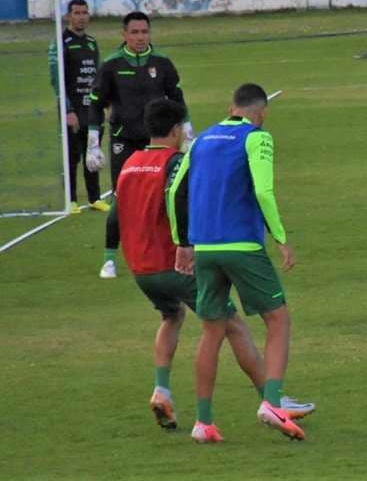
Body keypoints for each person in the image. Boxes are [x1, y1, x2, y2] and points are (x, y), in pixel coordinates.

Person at [115, 98, 314, 439]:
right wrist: (184, 244)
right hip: (188, 260)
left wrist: (112, 254)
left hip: (144, 267)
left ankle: (179, 403)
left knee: (180, 320)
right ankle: (272, 399)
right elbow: (181, 194)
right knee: (244, 324)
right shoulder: (177, 159)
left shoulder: (130, 164)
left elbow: (114, 217)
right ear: (177, 129)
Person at [169, 83, 306, 441]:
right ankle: (272, 402)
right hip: (241, 245)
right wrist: (280, 237)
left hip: (205, 249)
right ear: (260, 113)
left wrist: (181, 242)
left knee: (212, 331)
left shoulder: (199, 140)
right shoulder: (257, 137)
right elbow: (262, 190)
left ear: (231, 107)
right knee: (278, 319)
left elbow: (174, 192)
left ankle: (203, 423)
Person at [87, 11, 193, 279]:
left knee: (171, 195)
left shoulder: (163, 63)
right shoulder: (111, 66)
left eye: (144, 32)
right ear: (124, 35)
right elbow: (96, 105)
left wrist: (188, 131)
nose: (139, 37)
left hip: (159, 142)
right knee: (120, 199)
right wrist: (93, 144)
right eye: (134, 32)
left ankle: (175, 252)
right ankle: (109, 259)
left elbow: (177, 98)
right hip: (125, 142)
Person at [47, 0, 109, 214]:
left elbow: (98, 77)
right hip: (72, 110)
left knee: (92, 154)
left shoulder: (91, 42)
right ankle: (71, 200)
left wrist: (104, 102)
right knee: (72, 156)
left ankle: (94, 198)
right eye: (76, 12)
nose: (81, 16)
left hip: (91, 108)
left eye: (84, 12)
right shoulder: (60, 41)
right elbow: (57, 79)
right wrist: (67, 109)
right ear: (68, 16)